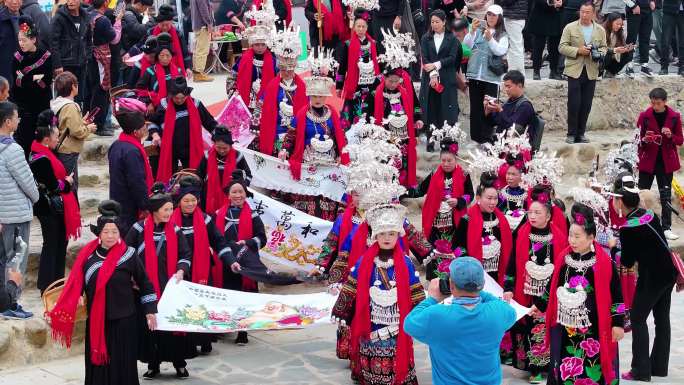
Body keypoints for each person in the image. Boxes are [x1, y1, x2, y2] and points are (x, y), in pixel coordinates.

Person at [46, 200, 157, 385]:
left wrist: (150, 310)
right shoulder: (87, 256)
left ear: (120, 232)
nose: (110, 236)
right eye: (106, 231)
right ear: (99, 233)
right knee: (99, 365)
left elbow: (145, 283)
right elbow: (78, 282)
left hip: (124, 320)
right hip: (98, 320)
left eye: (114, 231)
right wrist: (79, 296)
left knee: (123, 363)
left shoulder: (129, 254)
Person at [331, 202, 425, 385]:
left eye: (391, 233)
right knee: (370, 347)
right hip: (371, 320)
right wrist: (341, 310)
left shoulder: (405, 263)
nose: (387, 237)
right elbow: (351, 286)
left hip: (396, 321)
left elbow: (415, 290)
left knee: (396, 350)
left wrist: (422, 314)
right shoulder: (364, 262)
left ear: (398, 235)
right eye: (382, 233)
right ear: (375, 235)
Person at [542, 203, 625, 385]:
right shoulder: (564, 259)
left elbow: (617, 295)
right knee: (566, 368)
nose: (572, 240)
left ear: (591, 237)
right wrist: (538, 306)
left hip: (594, 329)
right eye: (570, 235)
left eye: (577, 236)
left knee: (592, 368)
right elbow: (551, 287)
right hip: (565, 328)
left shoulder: (604, 263)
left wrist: (618, 324)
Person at [404, 257, 517, 385]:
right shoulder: (499, 311)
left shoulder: (437, 315)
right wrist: (479, 291)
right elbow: (506, 309)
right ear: (483, 284)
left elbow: (409, 323)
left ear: (451, 284)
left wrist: (432, 299)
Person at [610, 175, 678, 381]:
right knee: (662, 319)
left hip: (652, 278)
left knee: (638, 319)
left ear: (620, 202)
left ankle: (641, 369)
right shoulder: (650, 215)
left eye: (614, 199)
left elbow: (627, 262)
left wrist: (614, 250)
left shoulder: (628, 229)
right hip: (668, 273)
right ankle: (659, 366)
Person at [126, 183, 195, 379]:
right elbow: (125, 254)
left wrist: (182, 271)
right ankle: (153, 363)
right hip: (145, 287)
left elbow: (185, 254)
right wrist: (132, 278)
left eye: (171, 209)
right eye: (166, 210)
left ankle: (179, 363)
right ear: (155, 211)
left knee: (173, 326)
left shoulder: (174, 230)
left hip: (170, 287)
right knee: (151, 326)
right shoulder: (138, 229)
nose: (170, 213)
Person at [502, 190, 568, 384]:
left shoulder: (559, 237)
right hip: (526, 291)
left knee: (544, 328)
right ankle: (533, 368)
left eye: (538, 213)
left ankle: (547, 366)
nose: (532, 216)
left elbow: (562, 266)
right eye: (530, 212)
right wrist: (508, 286)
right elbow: (512, 262)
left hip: (549, 291)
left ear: (548, 216)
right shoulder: (522, 234)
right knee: (528, 328)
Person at [279, 50, 350, 221]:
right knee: (309, 197)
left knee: (327, 197)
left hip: (329, 162)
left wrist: (342, 154)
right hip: (308, 162)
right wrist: (284, 150)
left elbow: (340, 136)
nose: (317, 99)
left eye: (321, 95)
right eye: (314, 95)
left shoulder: (332, 113)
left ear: (326, 96)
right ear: (309, 95)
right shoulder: (302, 114)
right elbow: (291, 136)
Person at [169, 174, 231, 354]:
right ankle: (187, 343)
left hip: (202, 271)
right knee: (185, 306)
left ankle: (204, 341)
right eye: (186, 200)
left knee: (202, 305)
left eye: (193, 200)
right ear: (179, 201)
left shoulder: (205, 219)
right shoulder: (170, 220)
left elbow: (219, 241)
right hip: (180, 272)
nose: (190, 204)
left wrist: (230, 261)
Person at [407, 127, 474, 279]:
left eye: (449, 160)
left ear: (456, 159)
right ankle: (436, 282)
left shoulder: (464, 175)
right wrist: (401, 192)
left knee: (455, 252)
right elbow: (419, 191)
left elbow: (470, 195)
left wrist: (459, 201)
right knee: (436, 254)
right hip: (436, 223)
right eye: (443, 160)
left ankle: (456, 281)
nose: (445, 163)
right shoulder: (434, 174)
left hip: (455, 224)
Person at [29, 109, 82, 293]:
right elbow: (53, 186)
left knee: (60, 243)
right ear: (46, 139)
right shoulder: (41, 158)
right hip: (48, 207)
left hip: (53, 206)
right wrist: (67, 183)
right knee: (52, 244)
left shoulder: (42, 152)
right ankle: (47, 285)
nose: (58, 139)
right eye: (56, 136)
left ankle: (57, 282)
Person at [214, 170, 267, 345]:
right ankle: (225, 327)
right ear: (228, 195)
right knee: (228, 295)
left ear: (246, 194)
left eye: (241, 192)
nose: (238, 195)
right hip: (226, 263)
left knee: (244, 297)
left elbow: (262, 238)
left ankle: (243, 332)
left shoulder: (252, 215)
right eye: (234, 192)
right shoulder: (218, 214)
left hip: (246, 263)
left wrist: (249, 242)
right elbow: (213, 238)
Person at [310, 190, 362, 359]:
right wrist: (320, 265)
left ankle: (364, 354)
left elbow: (408, 233)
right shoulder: (343, 219)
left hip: (375, 273)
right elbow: (331, 242)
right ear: (350, 197)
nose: (360, 198)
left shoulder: (382, 219)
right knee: (349, 310)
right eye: (356, 194)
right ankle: (350, 350)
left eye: (364, 194)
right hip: (347, 271)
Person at [0, 101, 38, 319]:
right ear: (7, 122)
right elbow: (28, 183)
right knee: (16, 260)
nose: (18, 120)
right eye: (16, 117)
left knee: (3, 260)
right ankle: (11, 303)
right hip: (14, 215)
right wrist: (36, 197)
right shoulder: (13, 149)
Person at [371, 31, 422, 188]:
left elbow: (414, 103)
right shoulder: (376, 91)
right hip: (385, 133)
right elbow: (369, 112)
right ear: (384, 78)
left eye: (396, 81)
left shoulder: (405, 86)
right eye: (390, 81)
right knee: (388, 160)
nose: (393, 84)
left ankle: (402, 187)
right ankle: (387, 187)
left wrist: (418, 119)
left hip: (403, 133)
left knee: (403, 160)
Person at [149, 77, 218, 182]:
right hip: (169, 149)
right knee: (168, 179)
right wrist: (155, 134)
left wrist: (219, 137)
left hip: (190, 149)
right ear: (171, 95)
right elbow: (153, 122)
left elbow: (210, 123)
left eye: (183, 98)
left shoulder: (196, 104)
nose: (179, 100)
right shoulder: (163, 105)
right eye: (176, 98)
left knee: (192, 177)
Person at [636, 87, 682, 240]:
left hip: (665, 162)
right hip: (648, 160)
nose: (654, 106)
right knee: (641, 194)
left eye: (657, 103)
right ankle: (639, 224)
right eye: (652, 103)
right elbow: (637, 138)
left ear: (664, 102)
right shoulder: (645, 116)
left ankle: (666, 227)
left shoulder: (674, 117)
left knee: (665, 195)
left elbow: (680, 140)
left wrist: (670, 135)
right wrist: (645, 140)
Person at [559, 1, 607, 144]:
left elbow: (604, 48)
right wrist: (578, 51)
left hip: (591, 70)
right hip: (574, 69)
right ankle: (571, 133)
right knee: (574, 103)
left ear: (593, 14)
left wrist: (597, 53)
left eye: (587, 12)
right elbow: (562, 47)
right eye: (582, 12)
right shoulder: (570, 27)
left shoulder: (600, 30)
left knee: (586, 104)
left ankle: (581, 133)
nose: (584, 15)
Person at [257, 22, 307, 156]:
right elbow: (262, 105)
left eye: (290, 69)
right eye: (284, 69)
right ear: (280, 68)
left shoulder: (302, 86)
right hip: (277, 129)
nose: (287, 73)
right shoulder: (272, 86)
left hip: (295, 129)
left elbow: (308, 108)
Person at [455, 172, 513, 286]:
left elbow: (508, 248)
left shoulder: (501, 220)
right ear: (478, 198)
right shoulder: (467, 219)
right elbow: (457, 247)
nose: (493, 202)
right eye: (489, 198)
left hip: (497, 274)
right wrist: (469, 265)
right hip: (474, 275)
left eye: (495, 198)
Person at [464, 5, 509, 144]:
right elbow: (467, 45)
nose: (490, 17)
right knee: (476, 109)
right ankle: (476, 139)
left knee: (489, 108)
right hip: (475, 76)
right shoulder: (477, 31)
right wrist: (471, 31)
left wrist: (490, 39)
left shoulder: (502, 35)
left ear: (499, 18)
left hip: (491, 78)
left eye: (494, 15)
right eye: (489, 14)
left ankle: (487, 138)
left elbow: (500, 51)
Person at [108, 98, 153, 235]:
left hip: (117, 198)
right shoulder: (132, 151)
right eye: (143, 127)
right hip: (130, 205)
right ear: (135, 132)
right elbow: (136, 181)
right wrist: (145, 205)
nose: (145, 129)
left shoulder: (116, 145)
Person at [419, 10, 461, 150]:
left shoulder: (452, 38)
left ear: (444, 22)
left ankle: (447, 142)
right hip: (429, 78)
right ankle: (430, 141)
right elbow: (424, 57)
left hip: (446, 78)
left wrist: (436, 65)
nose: (434, 25)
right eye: (432, 22)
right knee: (431, 109)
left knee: (447, 109)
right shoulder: (426, 38)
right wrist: (432, 74)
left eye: (437, 22)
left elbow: (452, 58)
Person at [233, 5, 278, 135]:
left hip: (266, 99)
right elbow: (233, 76)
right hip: (247, 97)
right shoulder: (244, 59)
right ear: (252, 44)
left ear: (267, 44)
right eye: (256, 44)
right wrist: (234, 93)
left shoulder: (273, 61)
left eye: (263, 44)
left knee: (264, 127)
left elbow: (277, 80)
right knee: (247, 128)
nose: (259, 47)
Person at [12, 16, 53, 157]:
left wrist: (25, 78)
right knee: (24, 140)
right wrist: (34, 78)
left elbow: (46, 80)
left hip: (42, 104)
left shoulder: (46, 56)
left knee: (43, 138)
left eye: (24, 40)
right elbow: (17, 83)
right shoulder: (17, 57)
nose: (21, 44)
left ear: (33, 39)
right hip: (23, 106)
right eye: (19, 40)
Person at [51, 72, 96, 198]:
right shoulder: (70, 106)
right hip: (68, 150)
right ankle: (72, 214)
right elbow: (76, 131)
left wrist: (81, 121)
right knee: (71, 185)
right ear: (72, 87)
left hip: (60, 148)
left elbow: (65, 125)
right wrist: (88, 128)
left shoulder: (57, 103)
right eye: (76, 84)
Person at [336, 10, 380, 131]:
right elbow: (342, 66)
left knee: (369, 109)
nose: (361, 29)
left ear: (367, 28)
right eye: (358, 26)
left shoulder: (373, 43)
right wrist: (339, 86)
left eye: (363, 26)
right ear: (354, 27)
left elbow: (378, 64)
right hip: (354, 84)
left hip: (370, 83)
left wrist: (379, 81)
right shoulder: (348, 44)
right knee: (353, 110)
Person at [195, 126, 252, 214]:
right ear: (214, 144)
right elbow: (199, 175)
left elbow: (248, 175)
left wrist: (241, 186)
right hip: (209, 197)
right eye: (218, 147)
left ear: (230, 145)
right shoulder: (207, 156)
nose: (221, 150)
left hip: (231, 196)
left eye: (225, 148)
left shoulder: (238, 156)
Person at [87, 0, 122, 137]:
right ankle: (99, 125)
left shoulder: (88, 15)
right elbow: (115, 39)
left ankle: (93, 122)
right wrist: (118, 21)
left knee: (92, 90)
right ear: (106, 3)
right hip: (100, 58)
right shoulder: (103, 20)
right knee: (101, 90)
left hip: (90, 57)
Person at [50, 0, 91, 104]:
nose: (70, 2)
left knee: (79, 97)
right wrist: (57, 64)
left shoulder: (85, 16)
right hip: (65, 64)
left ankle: (77, 118)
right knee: (64, 97)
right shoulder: (59, 17)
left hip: (81, 64)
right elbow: (53, 43)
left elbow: (88, 39)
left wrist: (87, 56)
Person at [484, 70, 536, 140]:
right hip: (501, 141)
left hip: (516, 146)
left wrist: (500, 110)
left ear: (520, 86)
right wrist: (488, 110)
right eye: (505, 86)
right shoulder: (509, 102)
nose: (506, 89)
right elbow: (495, 121)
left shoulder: (525, 106)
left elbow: (511, 127)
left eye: (509, 87)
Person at [136, 33, 183, 108]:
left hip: (175, 105)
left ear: (171, 56)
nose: (165, 58)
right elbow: (140, 90)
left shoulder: (178, 71)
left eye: (168, 55)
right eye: (162, 55)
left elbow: (183, 90)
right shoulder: (150, 71)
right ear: (157, 56)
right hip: (157, 107)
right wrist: (148, 103)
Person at [528, 0, 563, 80]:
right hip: (540, 14)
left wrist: (562, 2)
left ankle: (553, 71)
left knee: (554, 46)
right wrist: (551, 2)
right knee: (538, 46)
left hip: (555, 15)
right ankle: (536, 71)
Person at [150, 5, 191, 75]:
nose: (165, 27)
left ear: (172, 22)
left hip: (175, 68)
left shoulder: (178, 34)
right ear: (158, 23)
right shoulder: (151, 33)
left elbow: (185, 52)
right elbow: (143, 47)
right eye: (162, 25)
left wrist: (188, 68)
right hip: (156, 69)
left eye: (167, 25)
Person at [624, 0, 656, 77]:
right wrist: (633, 5)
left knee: (646, 38)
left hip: (647, 9)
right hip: (634, 8)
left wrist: (652, 1)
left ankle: (644, 66)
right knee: (631, 38)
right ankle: (629, 66)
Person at [498, 0, 527, 73]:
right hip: (516, 16)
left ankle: (518, 74)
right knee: (514, 47)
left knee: (516, 48)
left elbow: (507, 1)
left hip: (514, 17)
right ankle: (513, 72)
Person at [602, 13, 634, 77]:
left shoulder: (619, 32)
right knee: (609, 53)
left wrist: (626, 48)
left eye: (620, 25)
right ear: (610, 22)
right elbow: (600, 48)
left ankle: (611, 72)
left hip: (614, 57)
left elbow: (622, 45)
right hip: (602, 57)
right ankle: (600, 72)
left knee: (629, 53)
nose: (619, 26)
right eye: (617, 24)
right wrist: (614, 50)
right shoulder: (602, 30)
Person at [190, 0, 215, 82]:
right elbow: (203, 9)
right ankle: (199, 73)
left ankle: (197, 73)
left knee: (197, 50)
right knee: (202, 50)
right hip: (203, 25)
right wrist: (209, 23)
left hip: (197, 24)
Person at [660, 0, 684, 76]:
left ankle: (682, 67)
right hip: (669, 10)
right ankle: (664, 67)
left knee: (683, 42)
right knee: (665, 41)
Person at [0, 0, 21, 83]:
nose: (15, 2)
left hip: (22, 68)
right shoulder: (1, 19)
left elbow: (30, 41)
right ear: (5, 2)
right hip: (4, 71)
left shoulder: (25, 18)